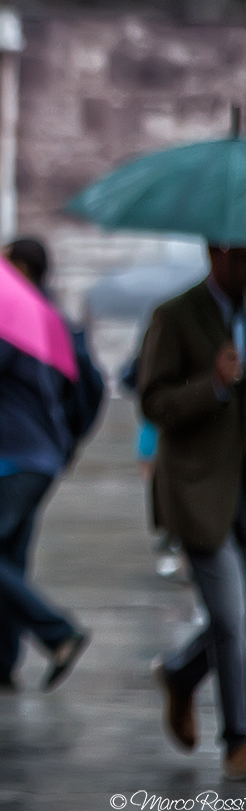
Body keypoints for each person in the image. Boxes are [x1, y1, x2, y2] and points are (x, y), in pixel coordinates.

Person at [0, 238, 97, 692]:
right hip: (43, 457)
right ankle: (2, 667)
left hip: (9, 457)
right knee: (11, 558)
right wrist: (68, 442)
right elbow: (91, 386)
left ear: (20, 269)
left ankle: (58, 632)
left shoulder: (11, 317)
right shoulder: (57, 320)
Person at [144, 244, 246, 778]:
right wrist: (213, 385)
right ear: (217, 254)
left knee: (240, 621)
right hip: (199, 492)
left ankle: (183, 672)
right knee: (231, 618)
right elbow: (153, 402)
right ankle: (240, 738)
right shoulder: (176, 316)